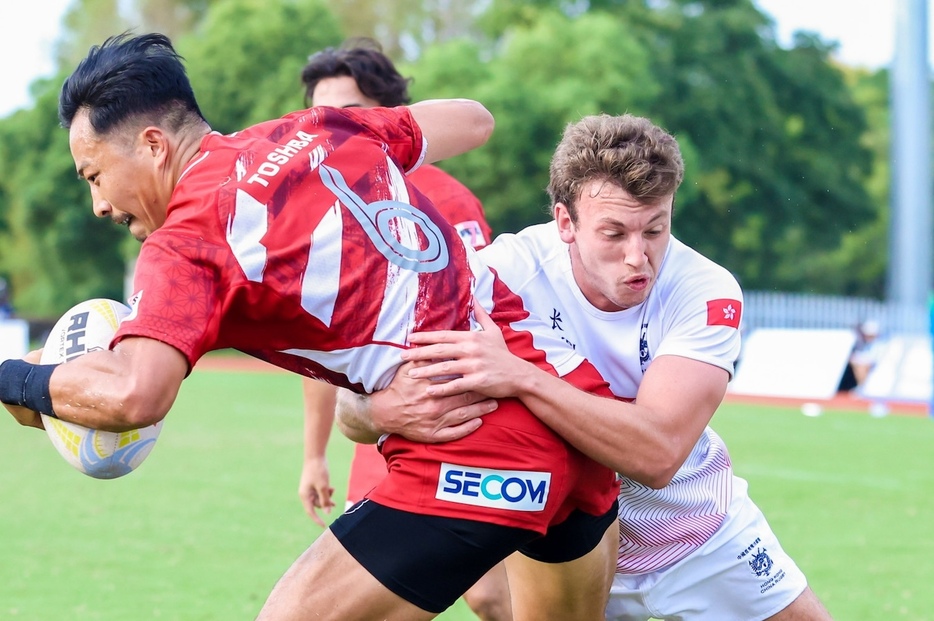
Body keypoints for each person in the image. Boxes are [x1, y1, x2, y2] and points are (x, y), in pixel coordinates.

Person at [0, 33, 620, 620]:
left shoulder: (186, 242)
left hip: (483, 440)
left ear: (155, 145)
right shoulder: (315, 127)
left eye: (95, 176)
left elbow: (136, 393)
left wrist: (21, 381)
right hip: (571, 405)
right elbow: (474, 120)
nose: (100, 204)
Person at [337, 114, 834, 620]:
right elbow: (350, 411)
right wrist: (384, 411)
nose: (638, 256)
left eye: (656, 229)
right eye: (614, 233)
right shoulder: (496, 273)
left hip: (698, 534)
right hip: (560, 554)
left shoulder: (704, 289)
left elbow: (658, 454)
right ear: (565, 223)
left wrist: (520, 376)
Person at [298, 39, 510, 621]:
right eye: (320, 117)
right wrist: (315, 455)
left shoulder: (444, 201)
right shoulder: (316, 215)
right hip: (379, 431)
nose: (331, 132)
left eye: (349, 114)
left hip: (461, 425)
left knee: (492, 595)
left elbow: (481, 319)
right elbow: (319, 348)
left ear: (389, 115)